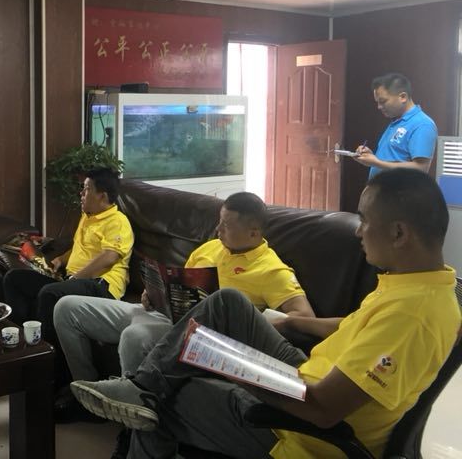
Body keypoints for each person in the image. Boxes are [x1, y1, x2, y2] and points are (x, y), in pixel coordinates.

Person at [71, 169, 460, 459]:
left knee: (164, 401)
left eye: (365, 221)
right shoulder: (415, 284)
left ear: (398, 233)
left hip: (303, 433)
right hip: (306, 371)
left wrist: (238, 369)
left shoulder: (413, 314)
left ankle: (144, 393)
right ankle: (144, 386)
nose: (359, 231)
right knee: (229, 303)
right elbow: (356, 325)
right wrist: (291, 322)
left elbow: (324, 410)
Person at [53, 192, 314, 442]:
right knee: (66, 308)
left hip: (189, 332)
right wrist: (152, 293)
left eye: (226, 225)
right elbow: (179, 282)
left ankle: (134, 435)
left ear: (253, 233)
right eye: (219, 221)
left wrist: (254, 318)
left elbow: (303, 315)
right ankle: (89, 396)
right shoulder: (211, 247)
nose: (218, 229)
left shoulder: (272, 270)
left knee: (134, 337)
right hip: (157, 313)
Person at [2, 168, 134, 354]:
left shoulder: (117, 221)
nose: (81, 193)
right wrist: (61, 260)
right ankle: (23, 340)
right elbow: (80, 247)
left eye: (86, 189)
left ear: (102, 196)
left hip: (101, 286)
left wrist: (76, 278)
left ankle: (46, 355)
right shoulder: (88, 216)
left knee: (49, 294)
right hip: (73, 280)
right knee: (14, 278)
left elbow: (109, 257)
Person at [355, 72, 437, 179]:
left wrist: (376, 162)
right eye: (377, 102)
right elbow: (393, 158)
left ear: (403, 97)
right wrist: (371, 157)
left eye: (383, 101)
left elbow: (421, 168)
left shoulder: (423, 124)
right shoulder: (396, 122)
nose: (379, 107)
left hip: (400, 190)